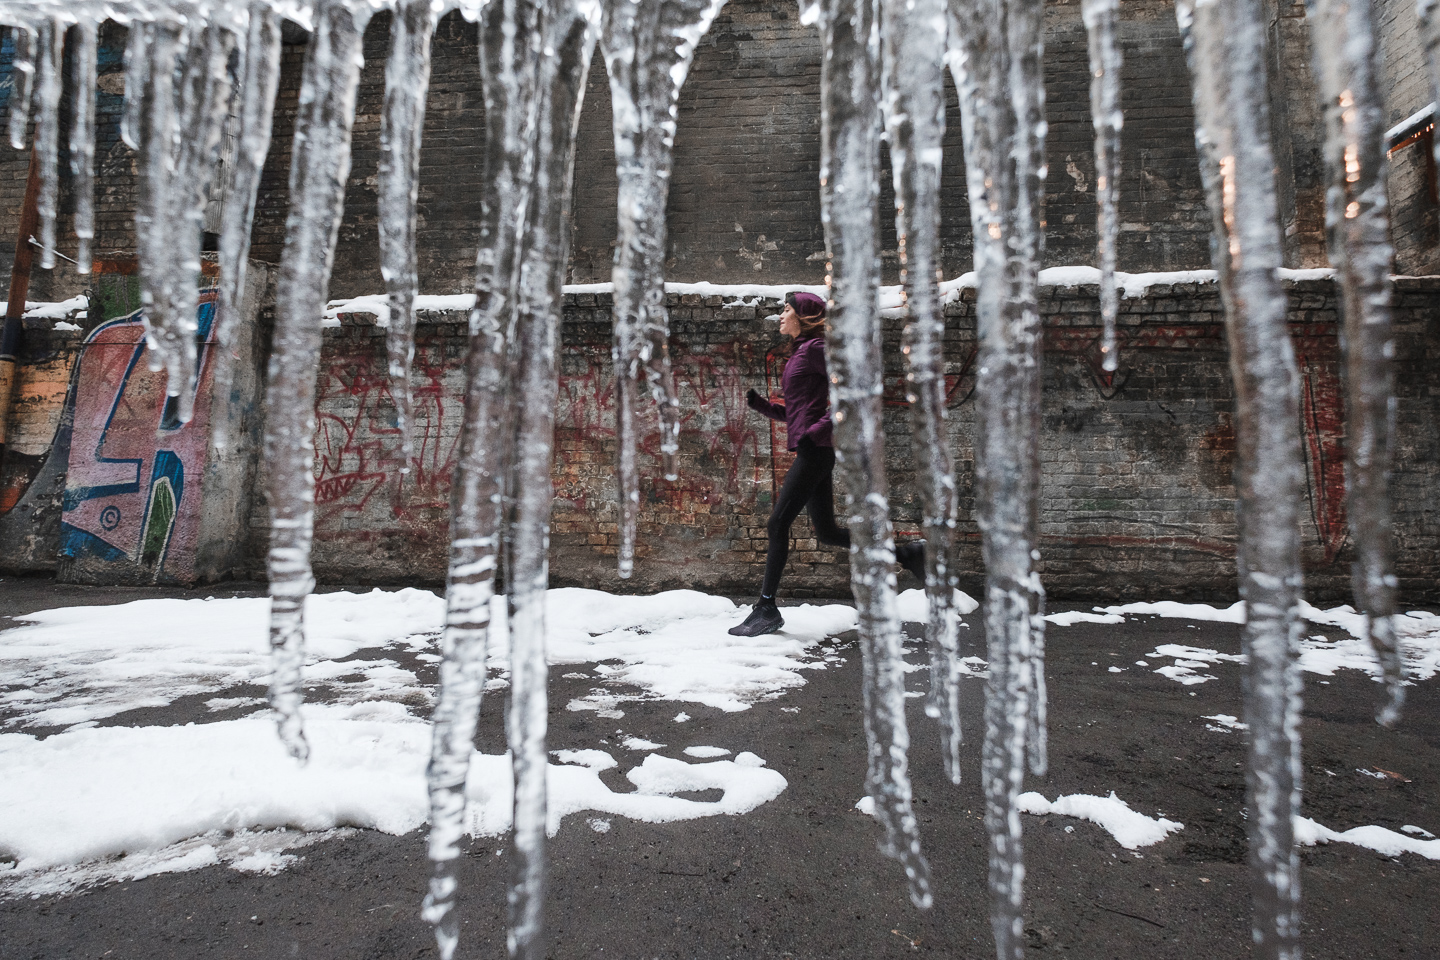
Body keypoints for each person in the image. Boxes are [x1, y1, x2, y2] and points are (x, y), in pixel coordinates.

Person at [729, 291, 925, 637]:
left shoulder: (817, 349)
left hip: (816, 450)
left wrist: (817, 432)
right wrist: (760, 405)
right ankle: (907, 554)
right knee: (829, 533)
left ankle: (766, 607)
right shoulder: (801, 353)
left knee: (777, 524)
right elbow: (797, 413)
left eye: (786, 310)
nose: (780, 316)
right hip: (814, 447)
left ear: (803, 316)